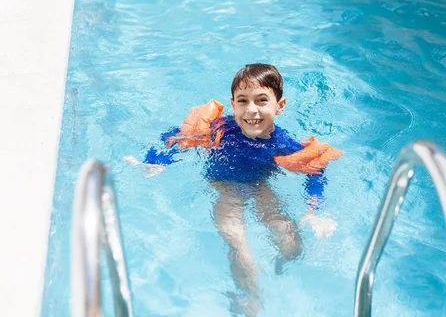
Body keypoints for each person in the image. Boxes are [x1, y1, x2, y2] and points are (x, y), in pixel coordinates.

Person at [126, 64, 343, 316]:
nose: (252, 110)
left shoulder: (282, 143)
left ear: (279, 106)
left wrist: (313, 211)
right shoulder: (220, 128)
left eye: (262, 101)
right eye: (243, 101)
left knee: (291, 245)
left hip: (261, 186)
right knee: (237, 240)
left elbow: (315, 171)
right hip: (224, 187)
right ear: (233, 104)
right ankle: (249, 297)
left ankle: (280, 269)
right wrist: (156, 162)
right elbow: (176, 137)